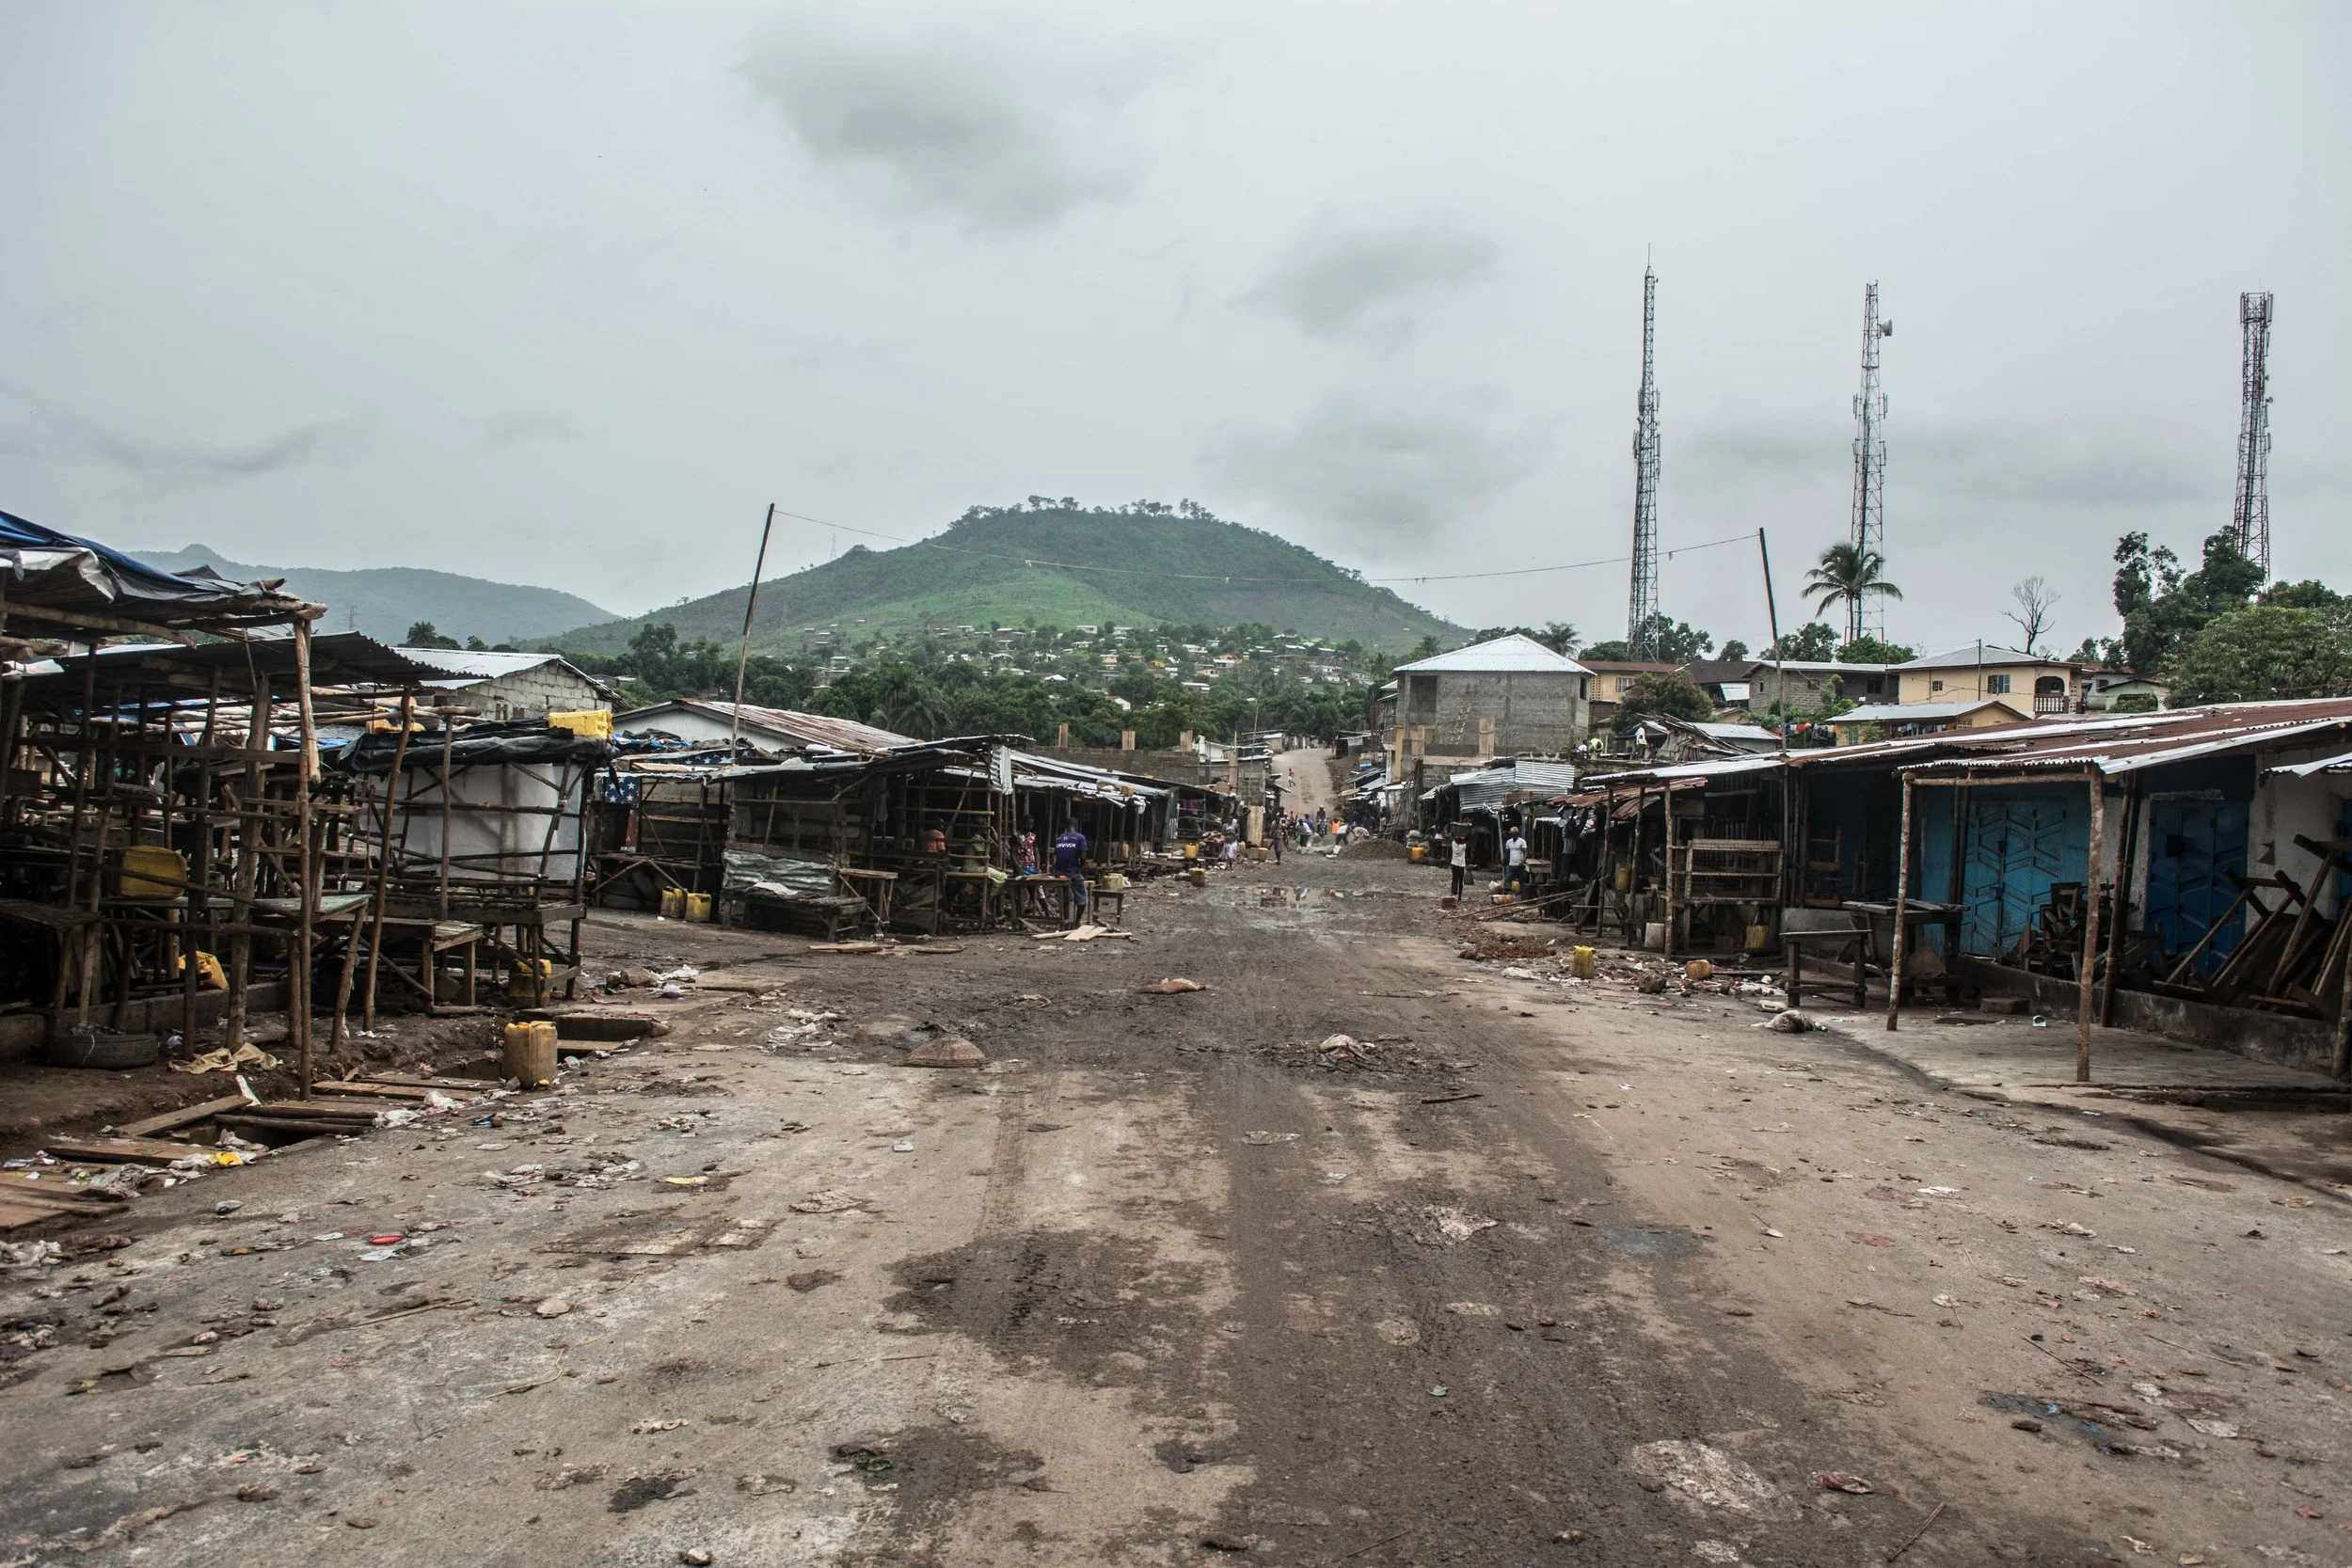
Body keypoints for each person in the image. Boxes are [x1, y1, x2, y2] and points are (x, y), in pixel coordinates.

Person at [1053, 822, 1089, 921]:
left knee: (1065, 893)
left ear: (1066, 828)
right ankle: (1076, 922)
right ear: (1076, 827)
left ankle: (1065, 917)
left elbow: (1056, 855)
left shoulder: (1059, 838)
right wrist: (1080, 868)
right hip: (1071, 872)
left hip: (1058, 872)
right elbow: (1083, 856)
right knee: (1083, 897)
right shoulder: (1080, 837)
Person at [1502, 826, 1529, 894]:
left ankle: (1522, 892)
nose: (1512, 835)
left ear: (1517, 834)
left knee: (1521, 880)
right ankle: (1506, 891)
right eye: (1511, 834)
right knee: (1508, 878)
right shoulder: (1509, 842)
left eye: (1513, 834)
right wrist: (1504, 860)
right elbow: (1507, 852)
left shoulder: (1522, 841)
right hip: (1511, 864)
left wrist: (1523, 861)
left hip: (1519, 864)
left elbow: (1525, 852)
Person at [1449, 831, 1468, 900]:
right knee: (1461, 881)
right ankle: (1460, 896)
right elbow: (1463, 842)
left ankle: (1454, 892)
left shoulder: (1453, 843)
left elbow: (1456, 850)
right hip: (1461, 865)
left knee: (1454, 879)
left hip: (1454, 863)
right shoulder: (1464, 846)